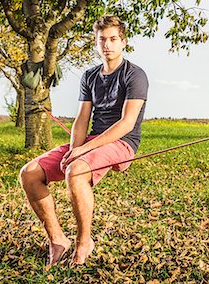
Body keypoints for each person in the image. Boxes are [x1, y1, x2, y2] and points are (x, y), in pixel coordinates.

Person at [19, 15, 149, 266]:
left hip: (121, 142)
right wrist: (76, 148)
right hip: (91, 140)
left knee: (75, 171)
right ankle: (58, 240)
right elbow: (81, 119)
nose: (107, 45)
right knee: (29, 173)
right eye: (102, 40)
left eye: (113, 39)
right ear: (96, 42)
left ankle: (84, 242)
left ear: (123, 42)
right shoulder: (89, 76)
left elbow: (127, 123)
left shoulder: (135, 75)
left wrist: (83, 152)